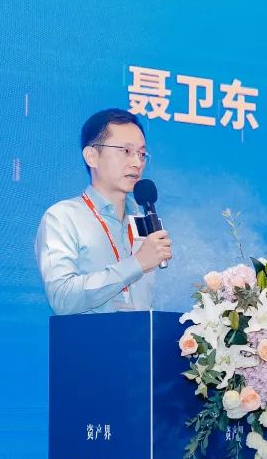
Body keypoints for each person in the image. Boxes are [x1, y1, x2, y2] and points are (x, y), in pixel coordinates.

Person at [35, 108, 173, 314]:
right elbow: (62, 297)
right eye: (125, 151)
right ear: (91, 156)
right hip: (91, 335)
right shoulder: (63, 217)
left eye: (142, 154)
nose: (137, 163)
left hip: (141, 334)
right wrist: (136, 263)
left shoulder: (144, 221)